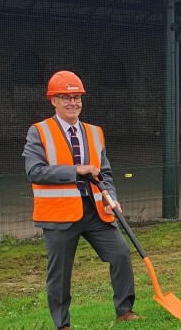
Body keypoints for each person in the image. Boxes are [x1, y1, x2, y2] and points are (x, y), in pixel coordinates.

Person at [23, 71, 139, 329]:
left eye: (76, 97)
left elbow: (104, 173)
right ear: (53, 100)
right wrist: (76, 170)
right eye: (65, 97)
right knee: (60, 274)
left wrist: (111, 198)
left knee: (120, 253)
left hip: (96, 210)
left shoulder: (95, 133)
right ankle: (62, 324)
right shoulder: (39, 132)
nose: (72, 102)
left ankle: (125, 311)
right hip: (59, 215)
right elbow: (35, 171)